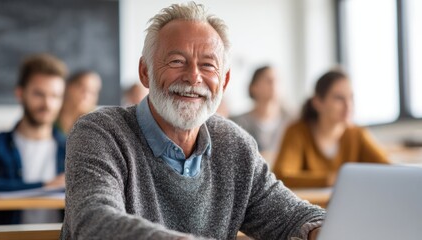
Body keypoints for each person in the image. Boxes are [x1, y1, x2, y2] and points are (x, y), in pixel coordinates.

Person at [60, 2, 325, 240]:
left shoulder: (235, 144)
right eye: (177, 61)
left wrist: (321, 228)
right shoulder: (99, 132)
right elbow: (93, 220)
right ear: (145, 72)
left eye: (208, 65)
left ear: (225, 81)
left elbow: (289, 215)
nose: (193, 77)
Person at [273, 69, 389, 188]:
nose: (348, 105)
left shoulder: (356, 133)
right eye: (339, 98)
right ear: (318, 102)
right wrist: (330, 180)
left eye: (351, 97)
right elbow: (282, 176)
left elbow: (388, 169)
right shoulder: (297, 132)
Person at [0, 53, 67, 224]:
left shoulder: (73, 148)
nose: (47, 104)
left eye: (55, 96)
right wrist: (46, 186)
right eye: (39, 94)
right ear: (20, 93)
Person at [231, 66, 293, 165]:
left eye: (277, 80)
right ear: (254, 87)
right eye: (269, 80)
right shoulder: (236, 122)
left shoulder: (292, 122)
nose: (274, 84)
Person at [56, 70, 102, 135]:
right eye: (82, 88)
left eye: (93, 92)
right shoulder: (50, 114)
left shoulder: (96, 126)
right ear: (69, 87)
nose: (86, 96)